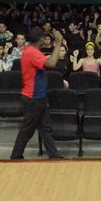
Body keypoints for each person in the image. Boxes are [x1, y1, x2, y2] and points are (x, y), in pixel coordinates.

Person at [10, 27, 64, 160]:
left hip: (39, 97)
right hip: (33, 98)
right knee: (27, 129)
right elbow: (51, 63)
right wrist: (58, 43)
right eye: (45, 37)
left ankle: (54, 156)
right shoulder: (32, 52)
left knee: (46, 128)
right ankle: (15, 157)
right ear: (40, 39)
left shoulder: (31, 51)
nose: (46, 39)